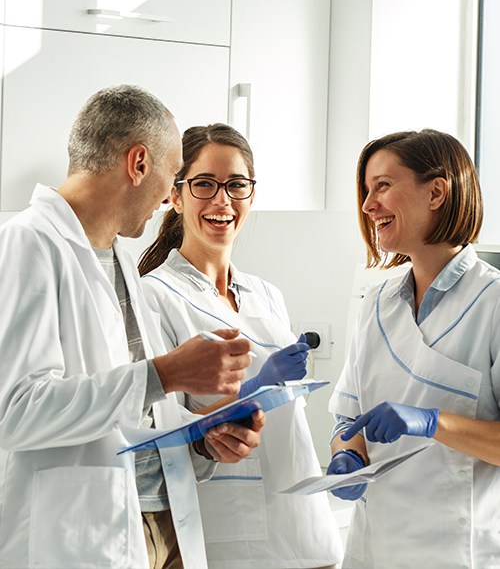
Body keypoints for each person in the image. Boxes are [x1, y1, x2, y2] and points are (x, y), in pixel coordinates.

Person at [0, 86, 265, 569]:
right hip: (81, 535)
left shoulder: (123, 257)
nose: (170, 196)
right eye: (173, 175)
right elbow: (15, 412)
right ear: (138, 163)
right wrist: (165, 374)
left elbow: (133, 415)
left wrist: (203, 438)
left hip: (165, 522)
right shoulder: (28, 245)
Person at [138, 123, 343, 569]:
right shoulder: (154, 297)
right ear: (176, 195)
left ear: (251, 195)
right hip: (224, 530)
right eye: (205, 184)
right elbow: (161, 436)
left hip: (303, 521)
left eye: (236, 185)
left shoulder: (267, 294)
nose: (222, 200)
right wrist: (252, 391)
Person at [327, 129, 500, 568]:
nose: (368, 206)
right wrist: (346, 451)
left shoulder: (493, 303)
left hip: (460, 554)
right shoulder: (376, 304)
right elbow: (349, 414)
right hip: (374, 548)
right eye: (366, 191)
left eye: (382, 186)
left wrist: (431, 422)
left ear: (437, 192)